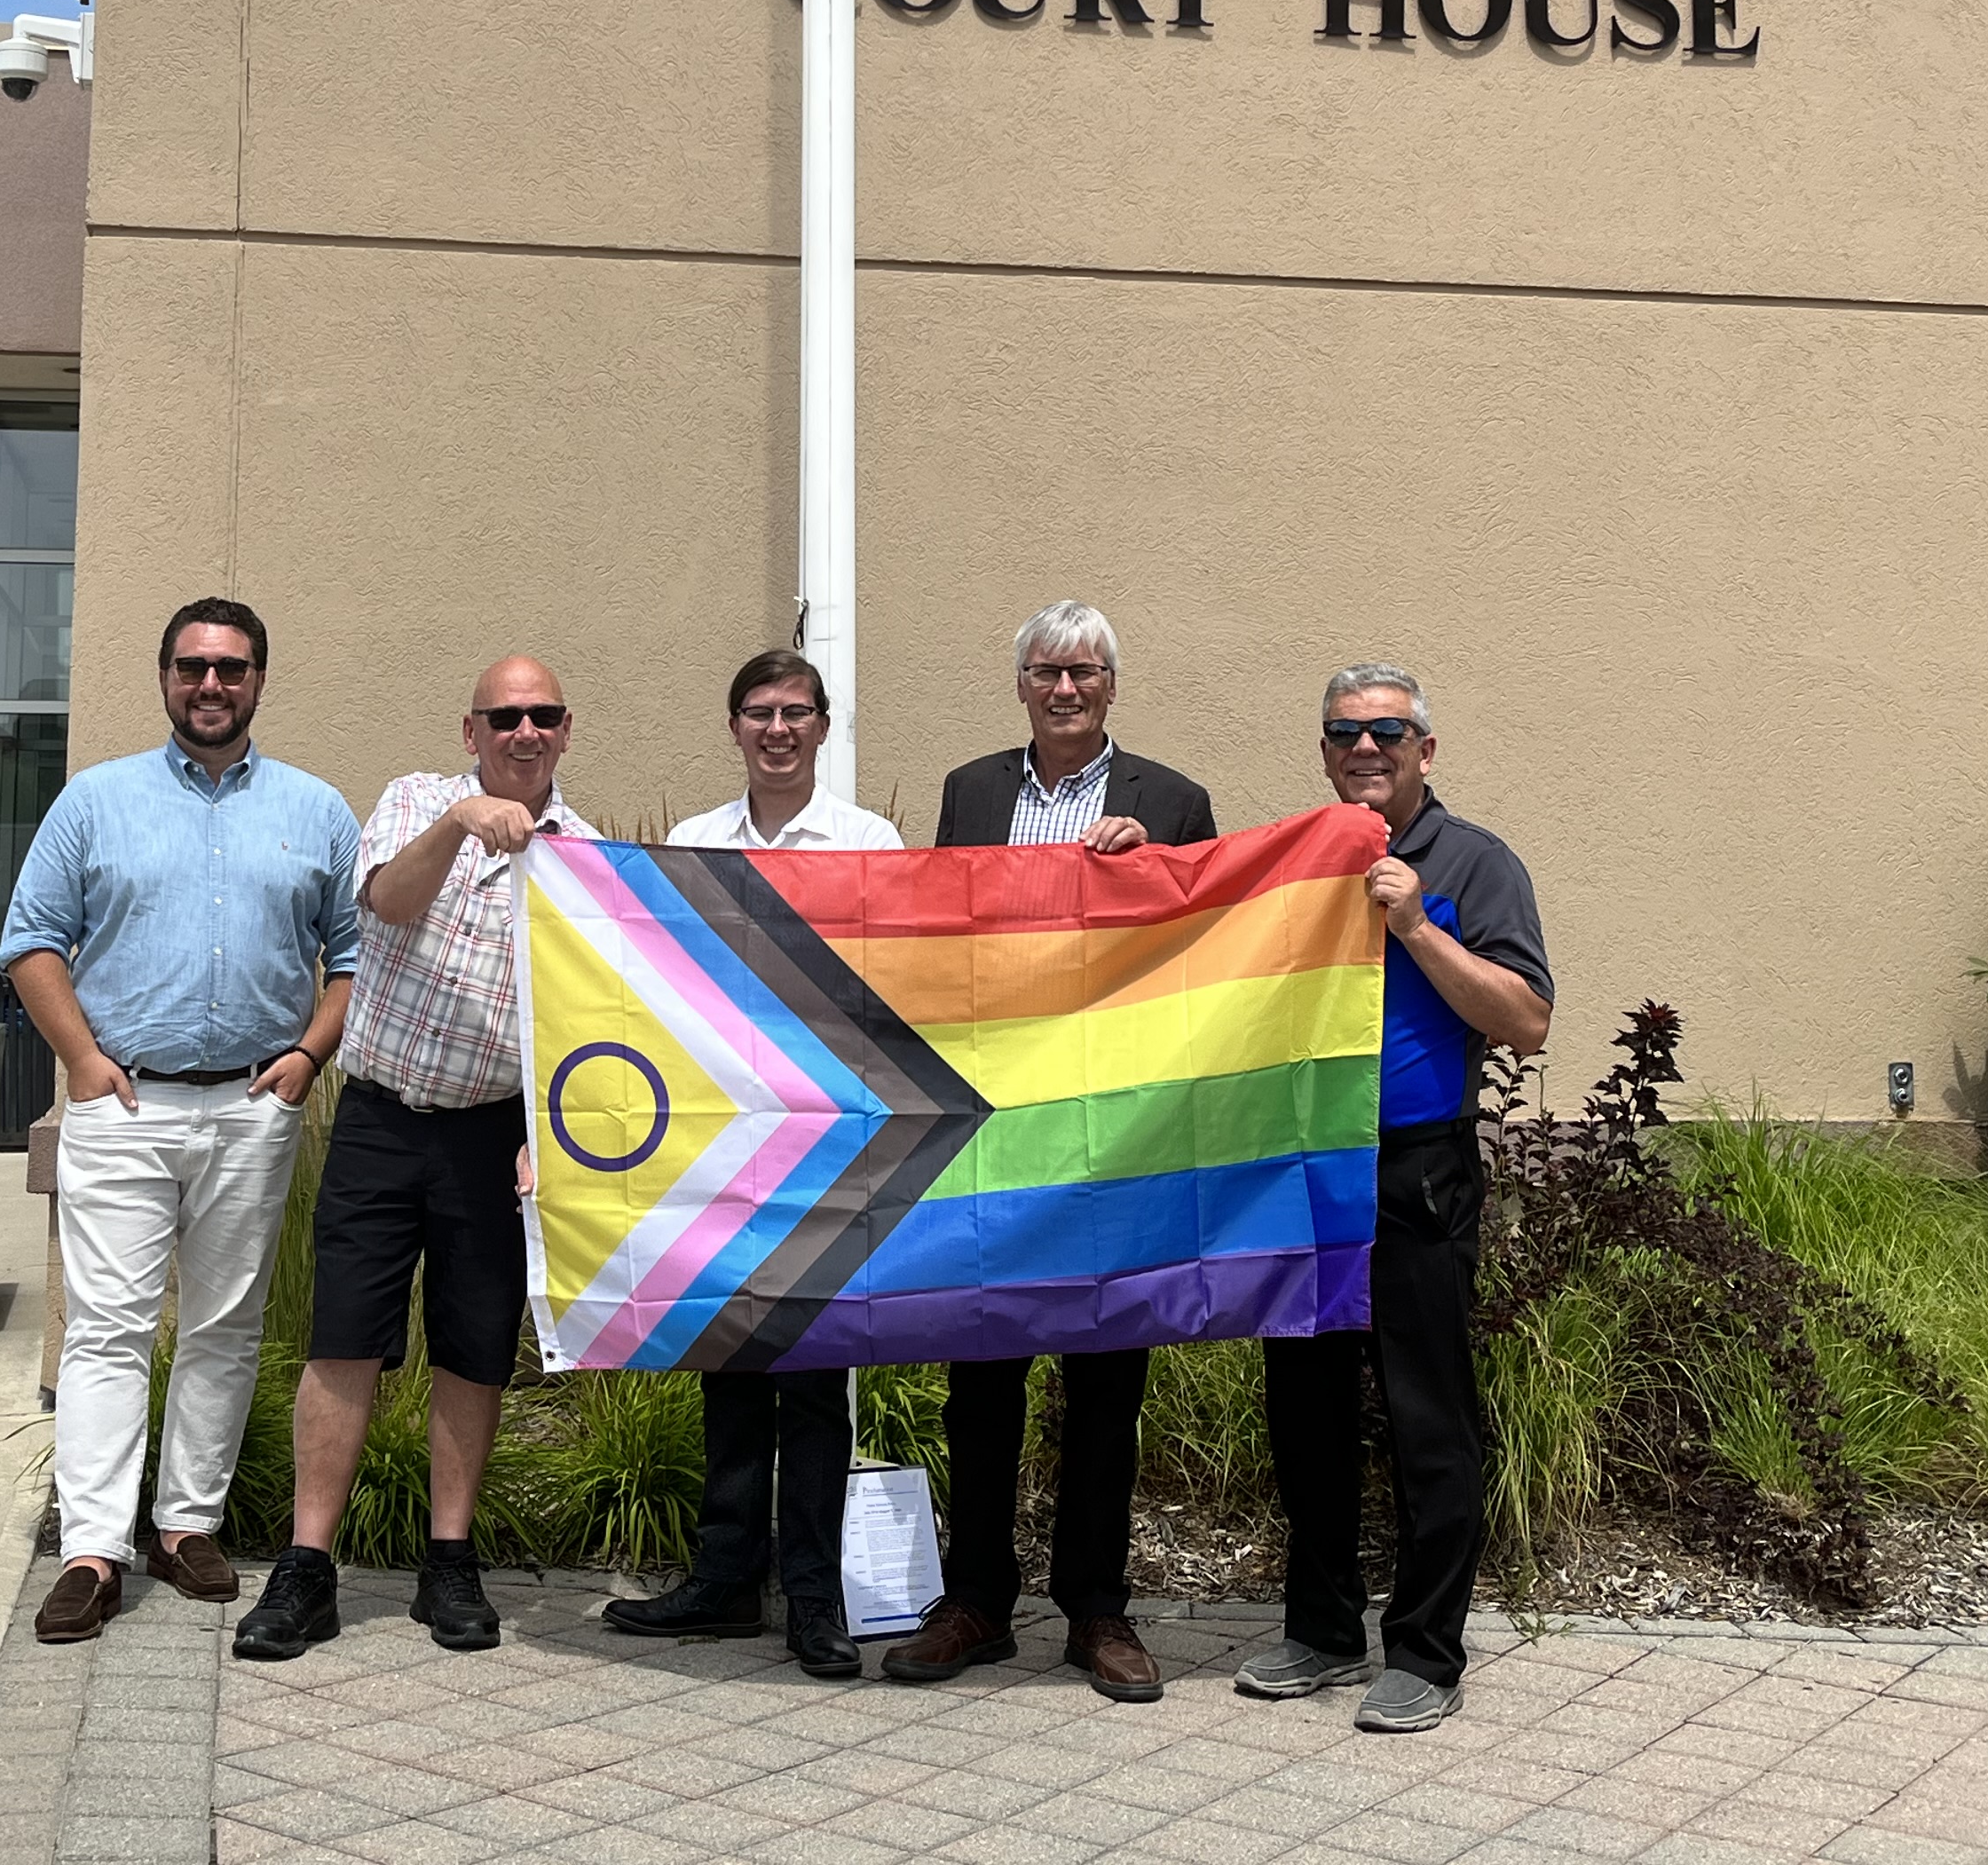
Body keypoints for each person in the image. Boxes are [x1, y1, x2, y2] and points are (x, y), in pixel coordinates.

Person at [1, 598, 362, 1646]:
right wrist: (81, 1060)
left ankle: (188, 1524)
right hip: (124, 1104)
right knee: (109, 1330)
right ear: (164, 677)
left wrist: (305, 1058)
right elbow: (31, 941)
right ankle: (93, 1550)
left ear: (260, 681)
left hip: (254, 1105)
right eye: (194, 667)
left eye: (234, 668)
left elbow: (351, 958)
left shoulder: (316, 811)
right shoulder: (94, 802)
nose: (213, 685)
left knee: (223, 1326)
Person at [880, 600, 1218, 1705]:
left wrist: (1153, 869)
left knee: (1106, 1379)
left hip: (1114, 1129)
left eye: (1084, 672)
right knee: (979, 1375)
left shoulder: (1170, 801)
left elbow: (1206, 950)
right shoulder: (971, 793)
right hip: (991, 1123)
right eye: (1044, 672)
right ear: (1019, 685)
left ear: (1113, 686)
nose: (1064, 689)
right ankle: (975, 1600)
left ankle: (1097, 1610)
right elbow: (935, 941)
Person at [233, 655, 593, 1663]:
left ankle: (450, 1560)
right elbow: (387, 902)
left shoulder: (589, 855)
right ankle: (308, 1566)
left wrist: (548, 1137)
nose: (525, 732)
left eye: (544, 716)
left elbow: (588, 1017)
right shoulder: (414, 800)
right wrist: (461, 821)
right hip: (384, 1119)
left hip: (495, 1134)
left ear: (567, 732)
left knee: (475, 1348)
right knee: (345, 1337)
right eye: (505, 716)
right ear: (470, 730)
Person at [1240, 664, 1551, 1732]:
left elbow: (1526, 1021)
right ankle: (1323, 1633)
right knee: (1307, 1415)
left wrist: (1419, 926)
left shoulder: (1474, 861)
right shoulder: (1295, 861)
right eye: (1343, 733)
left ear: (1426, 750)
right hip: (1303, 1172)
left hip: (1417, 1168)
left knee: (1427, 1417)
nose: (1363, 749)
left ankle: (1426, 1652)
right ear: (1324, 752)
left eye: (1387, 732)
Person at [604, 646, 901, 1680]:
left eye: (797, 712)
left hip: (833, 1141)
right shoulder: (692, 844)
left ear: (824, 727)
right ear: (733, 727)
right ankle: (725, 1581)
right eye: (759, 712)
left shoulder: (870, 843)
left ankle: (812, 1599)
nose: (778, 729)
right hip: (724, 1140)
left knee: (818, 1381)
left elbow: (887, 995)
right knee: (726, 1362)